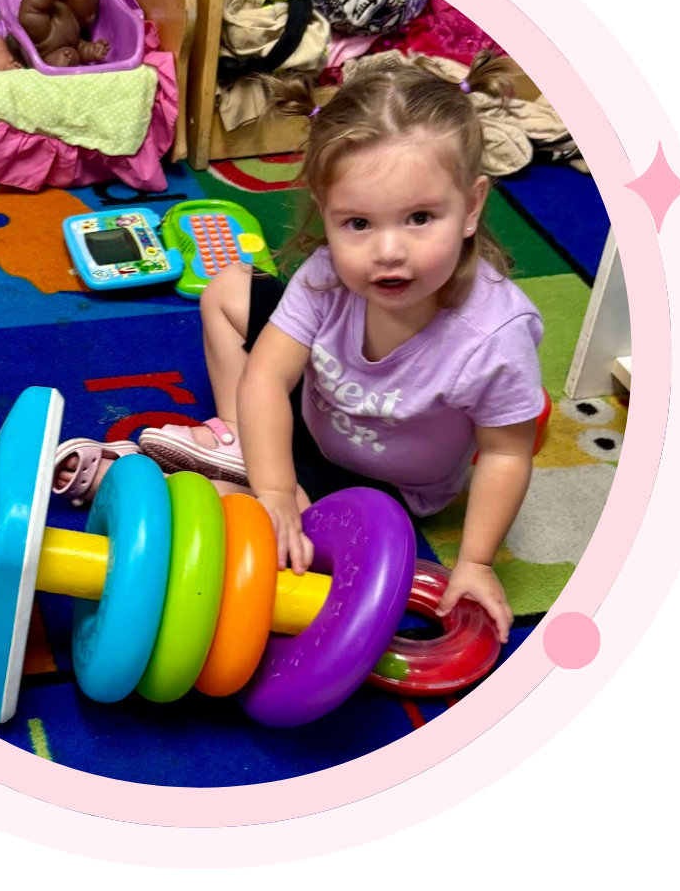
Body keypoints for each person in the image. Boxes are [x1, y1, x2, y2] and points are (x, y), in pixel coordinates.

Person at [135, 51, 547, 641]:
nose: (387, 251)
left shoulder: (494, 339)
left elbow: (507, 453)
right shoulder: (328, 275)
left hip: (387, 486)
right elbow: (267, 377)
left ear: (471, 207)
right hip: (310, 418)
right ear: (326, 217)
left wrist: (475, 562)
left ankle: (244, 471)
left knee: (228, 521)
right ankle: (241, 439)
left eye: (420, 217)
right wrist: (275, 487)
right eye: (358, 223)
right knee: (227, 286)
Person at [17, 0, 110, 68]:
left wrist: (92, 51)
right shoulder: (53, 3)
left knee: (72, 54)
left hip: (55, 51)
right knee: (34, 8)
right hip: (41, 30)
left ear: (90, 15)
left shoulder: (76, 29)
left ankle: (51, 63)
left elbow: (79, 47)